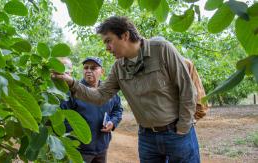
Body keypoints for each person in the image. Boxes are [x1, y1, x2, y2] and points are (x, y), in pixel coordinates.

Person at [53, 16, 199, 163]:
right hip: (147, 137)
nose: (107, 47)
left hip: (177, 134)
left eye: (109, 41)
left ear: (125, 35)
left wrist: (183, 128)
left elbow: (187, 89)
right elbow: (100, 96)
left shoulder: (162, 49)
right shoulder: (118, 68)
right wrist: (71, 82)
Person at [59, 57, 123, 163]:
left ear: (102, 71)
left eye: (93, 68)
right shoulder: (73, 90)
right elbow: (63, 117)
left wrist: (113, 122)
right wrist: (77, 137)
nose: (88, 71)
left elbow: (117, 109)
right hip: (80, 149)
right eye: (86, 68)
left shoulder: (109, 91)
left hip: (102, 147)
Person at [150, 37, 209, 121]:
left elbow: (199, 96)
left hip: (182, 119)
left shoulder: (185, 64)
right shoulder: (149, 68)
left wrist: (189, 120)